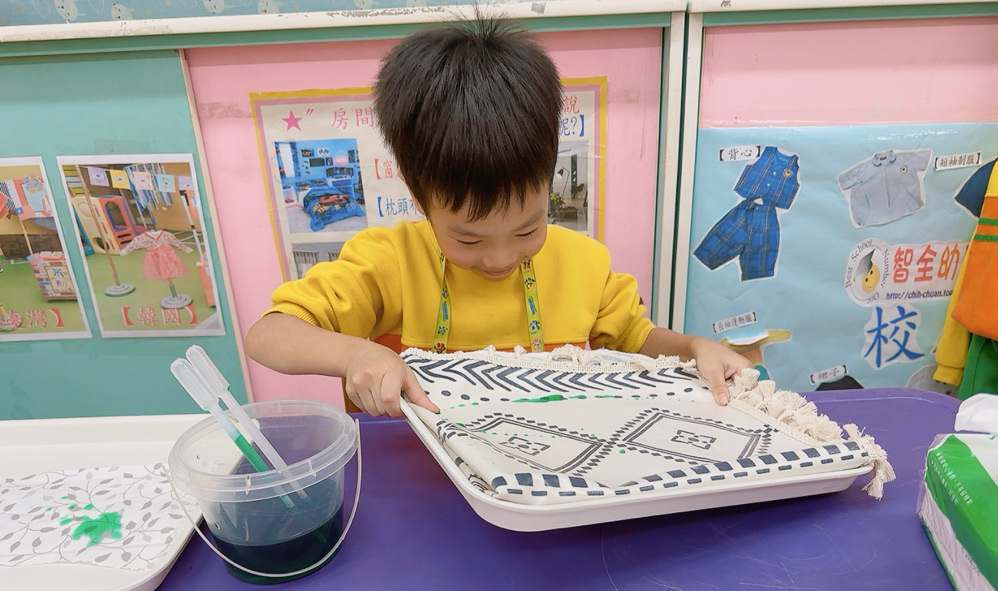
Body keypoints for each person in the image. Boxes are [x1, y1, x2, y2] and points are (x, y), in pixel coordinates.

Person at [245, 16, 752, 417]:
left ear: (549, 180)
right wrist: (355, 355)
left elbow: (637, 340)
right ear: (418, 195)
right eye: (468, 239)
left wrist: (695, 348)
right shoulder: (388, 263)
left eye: (528, 228)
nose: (500, 257)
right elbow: (268, 335)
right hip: (417, 481)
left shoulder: (585, 264)